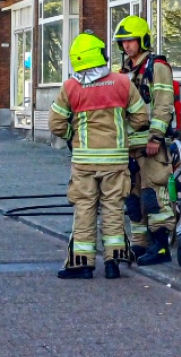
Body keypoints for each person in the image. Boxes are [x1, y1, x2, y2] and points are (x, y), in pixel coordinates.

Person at [49, 33, 148, 279]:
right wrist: (122, 133)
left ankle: (82, 265)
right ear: (100, 55)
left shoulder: (70, 87)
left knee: (84, 208)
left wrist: (74, 134)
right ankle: (114, 264)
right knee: (113, 208)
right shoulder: (122, 82)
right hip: (115, 160)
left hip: (84, 161)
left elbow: (55, 123)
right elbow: (141, 118)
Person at [114, 16, 177, 266]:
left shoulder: (156, 67)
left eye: (130, 40)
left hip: (151, 147)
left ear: (142, 40)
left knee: (154, 194)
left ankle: (161, 247)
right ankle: (141, 245)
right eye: (123, 42)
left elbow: (163, 105)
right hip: (130, 146)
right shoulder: (124, 71)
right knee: (133, 197)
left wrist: (155, 137)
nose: (126, 46)